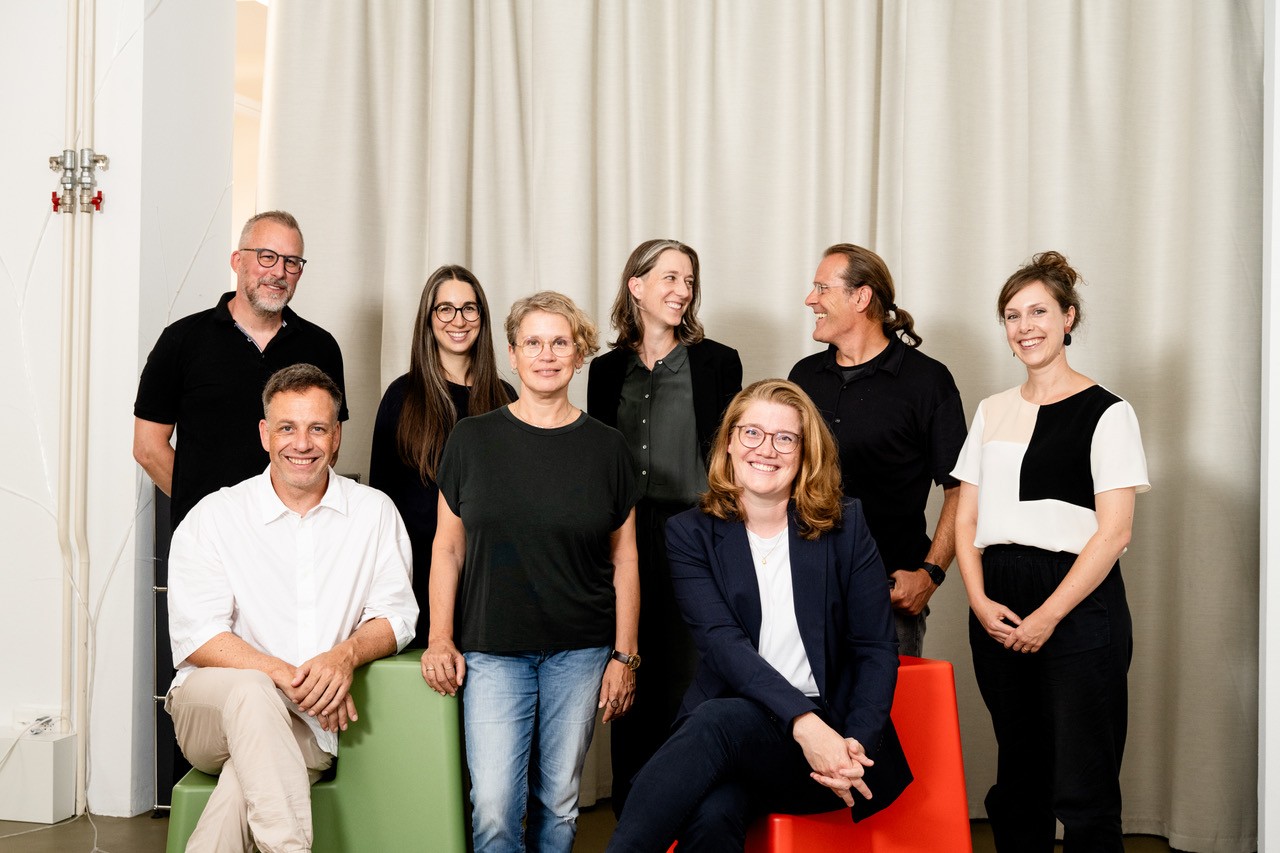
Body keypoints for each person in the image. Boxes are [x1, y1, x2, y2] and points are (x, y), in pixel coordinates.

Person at [608, 379, 912, 853]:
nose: (766, 449)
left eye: (785, 438)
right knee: (712, 815)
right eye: (752, 433)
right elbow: (724, 646)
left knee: (715, 721)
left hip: (829, 747)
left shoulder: (846, 525)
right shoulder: (690, 534)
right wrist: (804, 723)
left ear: (804, 452)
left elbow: (875, 647)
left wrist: (851, 745)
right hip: (749, 731)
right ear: (729, 442)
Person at [165, 364, 417, 852]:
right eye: (287, 428)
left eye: (317, 428)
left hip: (310, 724)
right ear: (265, 434)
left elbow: (397, 614)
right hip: (211, 710)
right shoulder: (215, 516)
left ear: (336, 436)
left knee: (244, 785)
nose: (302, 444)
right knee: (253, 690)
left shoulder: (374, 513)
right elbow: (199, 636)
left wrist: (344, 656)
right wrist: (284, 675)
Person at [421, 291, 641, 853]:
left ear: (579, 354)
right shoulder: (471, 440)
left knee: (560, 804)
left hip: (581, 650)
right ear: (513, 354)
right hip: (493, 648)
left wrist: (624, 656)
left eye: (560, 342)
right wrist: (440, 637)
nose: (547, 355)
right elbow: (447, 548)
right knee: (495, 806)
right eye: (533, 343)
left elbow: (625, 559)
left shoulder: (609, 448)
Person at [952, 252, 1150, 852]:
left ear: (1068, 318)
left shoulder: (1108, 412)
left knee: (1084, 783)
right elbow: (966, 517)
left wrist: (1048, 616)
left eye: (1038, 312)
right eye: (1012, 316)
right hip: (997, 596)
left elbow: (1114, 533)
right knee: (1019, 777)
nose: (1025, 326)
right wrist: (979, 600)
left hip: (1077, 601)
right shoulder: (991, 410)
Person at [586, 238, 742, 815]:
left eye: (689, 281)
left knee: (691, 674)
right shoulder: (605, 371)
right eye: (670, 278)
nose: (682, 291)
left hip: (699, 533)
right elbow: (599, 465)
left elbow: (732, 460)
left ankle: (691, 811)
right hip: (624, 537)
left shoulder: (718, 362)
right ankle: (635, 814)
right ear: (637, 285)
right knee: (628, 671)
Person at [788, 243, 965, 656]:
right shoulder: (803, 377)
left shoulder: (927, 381)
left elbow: (962, 490)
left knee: (885, 701)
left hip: (887, 596)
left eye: (822, 288)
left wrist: (930, 574)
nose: (810, 299)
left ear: (861, 297)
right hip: (803, 587)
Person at [134, 210, 348, 531]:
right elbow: (148, 448)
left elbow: (329, 444)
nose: (279, 272)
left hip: (293, 531)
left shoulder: (321, 347)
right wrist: (208, 512)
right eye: (267, 257)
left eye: (291, 262)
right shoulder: (182, 340)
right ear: (237, 261)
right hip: (209, 535)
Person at [369, 265, 515, 645]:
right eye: (445, 309)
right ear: (429, 318)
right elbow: (381, 502)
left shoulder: (506, 398)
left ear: (482, 317)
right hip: (418, 575)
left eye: (469, 308)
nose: (458, 320)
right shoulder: (401, 397)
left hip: (491, 577)